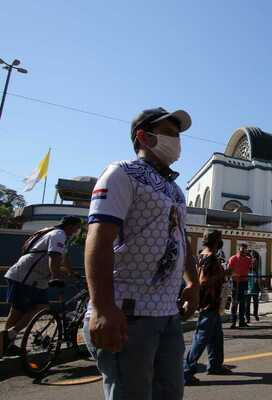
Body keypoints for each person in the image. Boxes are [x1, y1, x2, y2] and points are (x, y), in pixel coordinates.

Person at [83, 107, 199, 399]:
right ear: (143, 137)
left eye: (178, 135)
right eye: (169, 134)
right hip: (128, 313)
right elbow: (99, 238)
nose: (177, 141)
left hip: (166, 314)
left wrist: (192, 281)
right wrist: (102, 307)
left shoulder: (175, 191)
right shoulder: (121, 174)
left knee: (170, 392)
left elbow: (180, 239)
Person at [1, 216, 82, 356]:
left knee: (22, 311)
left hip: (34, 279)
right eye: (77, 228)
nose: (77, 231)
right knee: (25, 310)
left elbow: (65, 258)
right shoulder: (58, 234)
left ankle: (6, 342)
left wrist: (72, 273)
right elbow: (54, 256)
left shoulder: (57, 235)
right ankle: (9, 337)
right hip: (26, 277)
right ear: (72, 226)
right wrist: (55, 277)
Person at [183, 230, 231, 384]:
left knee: (216, 335)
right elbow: (203, 282)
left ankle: (215, 365)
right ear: (216, 241)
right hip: (209, 302)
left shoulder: (202, 254)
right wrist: (224, 274)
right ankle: (186, 371)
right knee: (201, 337)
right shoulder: (210, 258)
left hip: (212, 302)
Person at [227, 244, 253, 328]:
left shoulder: (248, 259)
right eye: (242, 250)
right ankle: (233, 322)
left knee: (243, 302)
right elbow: (228, 270)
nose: (243, 252)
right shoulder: (233, 258)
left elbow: (252, 268)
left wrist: (252, 261)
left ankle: (242, 321)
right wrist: (234, 275)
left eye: (245, 250)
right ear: (238, 250)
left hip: (244, 282)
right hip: (235, 283)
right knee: (235, 302)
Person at [245, 253, 261, 323]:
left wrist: (260, 286)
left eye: (254, 263)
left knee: (255, 302)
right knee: (247, 303)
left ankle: (255, 314)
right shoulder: (246, 271)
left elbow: (258, 279)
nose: (253, 263)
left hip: (255, 288)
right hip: (247, 287)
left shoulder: (256, 271)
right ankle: (247, 317)